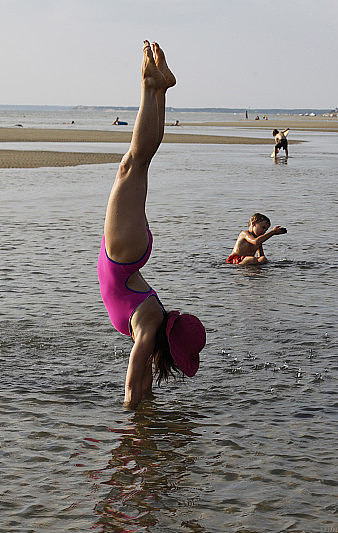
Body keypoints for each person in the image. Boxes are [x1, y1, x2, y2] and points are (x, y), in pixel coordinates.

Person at [98, 41, 206, 410]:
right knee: (133, 164)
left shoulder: (153, 322)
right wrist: (131, 433)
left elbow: (140, 383)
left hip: (129, 254)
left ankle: (159, 88)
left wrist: (145, 415)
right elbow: (130, 390)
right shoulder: (148, 326)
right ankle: (151, 87)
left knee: (138, 164)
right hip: (123, 254)